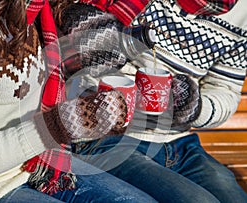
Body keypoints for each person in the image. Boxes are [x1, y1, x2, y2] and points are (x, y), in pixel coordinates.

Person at [0, 0, 160, 202]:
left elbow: (45, 96)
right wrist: (60, 124)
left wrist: (95, 114)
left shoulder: (38, 12)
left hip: (36, 165)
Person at [52, 0, 247, 202]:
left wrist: (194, 108)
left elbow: (225, 88)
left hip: (177, 142)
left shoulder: (242, 11)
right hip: (107, 138)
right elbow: (77, 54)